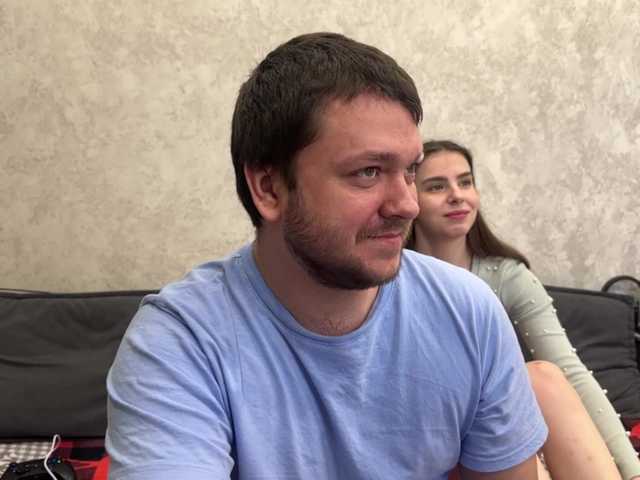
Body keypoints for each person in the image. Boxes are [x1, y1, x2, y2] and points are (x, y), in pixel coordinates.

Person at [105, 33, 548, 479]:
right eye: (368, 172)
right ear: (269, 188)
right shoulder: (180, 342)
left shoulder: (468, 312)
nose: (407, 205)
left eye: (410, 170)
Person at [410, 139, 639, 480]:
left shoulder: (507, 276)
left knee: (542, 377)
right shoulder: (390, 278)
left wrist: (632, 468)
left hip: (502, 432)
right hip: (432, 429)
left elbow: (570, 371)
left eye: (465, 182)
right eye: (436, 186)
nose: (457, 195)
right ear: (409, 198)